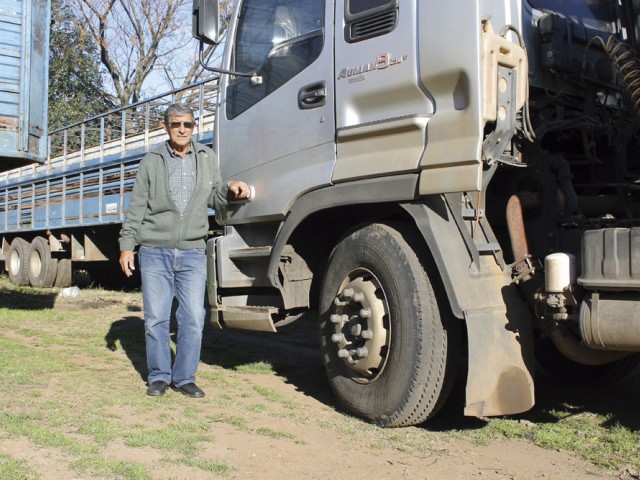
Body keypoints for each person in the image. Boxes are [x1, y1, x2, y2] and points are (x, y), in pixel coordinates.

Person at [118, 103, 250, 398]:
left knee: (193, 317)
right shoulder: (151, 161)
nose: (182, 129)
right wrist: (127, 245)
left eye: (187, 125)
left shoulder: (206, 157)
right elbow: (137, 207)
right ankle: (159, 376)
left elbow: (216, 197)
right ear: (166, 126)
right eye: (176, 124)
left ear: (194, 127)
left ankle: (185, 377)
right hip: (154, 251)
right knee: (156, 318)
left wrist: (231, 189)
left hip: (192, 252)